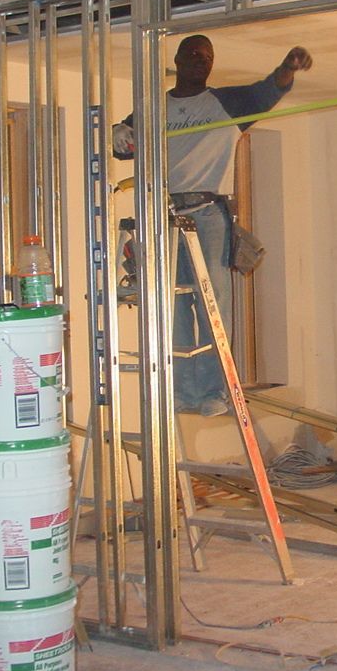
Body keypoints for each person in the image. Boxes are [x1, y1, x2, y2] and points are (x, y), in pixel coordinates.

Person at [114, 35, 313, 415]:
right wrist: (118, 132)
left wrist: (288, 67)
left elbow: (269, 90)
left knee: (212, 304)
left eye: (206, 56)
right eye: (191, 54)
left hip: (206, 213)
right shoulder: (153, 109)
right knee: (170, 304)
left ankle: (214, 391)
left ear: (212, 63)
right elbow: (123, 148)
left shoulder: (227, 103)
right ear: (176, 60)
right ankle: (183, 392)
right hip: (161, 213)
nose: (199, 60)